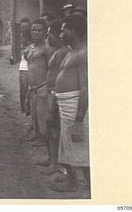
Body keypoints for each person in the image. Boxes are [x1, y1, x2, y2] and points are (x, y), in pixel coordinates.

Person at [52, 14, 89, 192]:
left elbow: (86, 88)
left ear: (73, 31)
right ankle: (72, 181)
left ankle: (92, 188)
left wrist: (79, 120)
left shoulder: (84, 53)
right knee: (67, 144)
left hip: (75, 106)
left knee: (81, 146)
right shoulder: (71, 52)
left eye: (63, 31)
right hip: (66, 105)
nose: (60, 35)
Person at [40, 19, 71, 175]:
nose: (48, 37)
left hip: (57, 95)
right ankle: (52, 159)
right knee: (50, 128)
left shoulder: (64, 52)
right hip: (52, 94)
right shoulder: (57, 51)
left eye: (50, 34)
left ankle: (57, 164)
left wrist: (55, 97)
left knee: (55, 130)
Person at [24, 18, 55, 154]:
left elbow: (51, 69)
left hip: (43, 88)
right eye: (33, 30)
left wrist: (47, 87)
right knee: (35, 115)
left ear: (45, 32)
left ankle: (47, 145)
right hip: (33, 88)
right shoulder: (33, 48)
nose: (36, 33)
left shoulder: (47, 48)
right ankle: (38, 137)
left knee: (44, 120)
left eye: (39, 30)